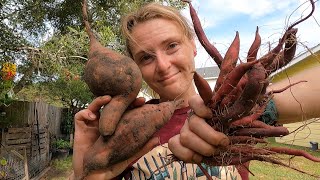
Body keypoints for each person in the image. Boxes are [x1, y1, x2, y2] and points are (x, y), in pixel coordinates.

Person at [70, 2, 320, 180]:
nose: (163, 65)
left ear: (193, 45)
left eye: (172, 46)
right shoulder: (122, 130)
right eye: (146, 58)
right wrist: (83, 173)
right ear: (135, 68)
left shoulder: (237, 111)